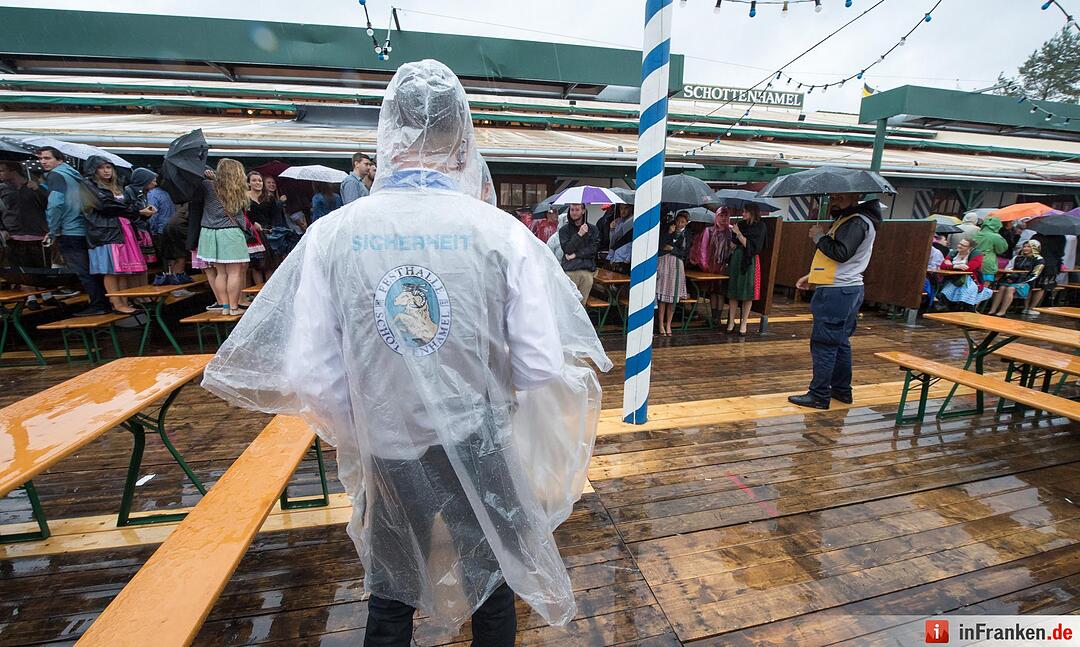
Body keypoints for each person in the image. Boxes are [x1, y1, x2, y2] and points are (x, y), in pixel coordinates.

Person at [200, 59, 611, 646]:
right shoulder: (500, 233)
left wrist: (367, 423)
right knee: (492, 577)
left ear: (385, 131)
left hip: (389, 446)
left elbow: (311, 373)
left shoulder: (335, 235)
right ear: (463, 136)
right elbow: (541, 363)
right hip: (480, 440)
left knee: (391, 591)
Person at [789, 193, 881, 410]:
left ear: (854, 196)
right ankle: (841, 390)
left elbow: (841, 253)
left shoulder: (857, 221)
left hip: (837, 292)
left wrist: (819, 237)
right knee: (840, 343)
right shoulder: (852, 219)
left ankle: (819, 394)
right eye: (832, 198)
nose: (834, 202)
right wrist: (812, 277)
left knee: (824, 344)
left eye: (840, 197)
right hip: (845, 289)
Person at [38, 147, 109, 316]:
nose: (43, 161)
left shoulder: (56, 175)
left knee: (82, 271)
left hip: (68, 229)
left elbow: (55, 203)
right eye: (41, 158)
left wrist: (53, 230)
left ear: (59, 159)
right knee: (92, 270)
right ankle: (102, 302)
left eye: (47, 158)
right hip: (84, 227)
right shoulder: (74, 175)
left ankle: (98, 305)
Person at [85, 157, 153, 315]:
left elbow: (125, 207)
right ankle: (116, 302)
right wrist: (137, 212)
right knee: (111, 269)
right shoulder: (89, 185)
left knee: (123, 269)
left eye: (108, 167)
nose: (106, 170)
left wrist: (142, 212)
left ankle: (124, 299)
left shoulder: (117, 186)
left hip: (123, 229)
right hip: (106, 232)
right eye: (102, 168)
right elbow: (105, 206)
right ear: (94, 170)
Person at [192, 159, 251, 316]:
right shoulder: (239, 189)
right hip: (231, 233)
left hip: (209, 233)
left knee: (221, 273)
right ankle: (233, 307)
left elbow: (195, 187)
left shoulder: (206, 185)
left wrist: (207, 177)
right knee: (234, 273)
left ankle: (224, 307)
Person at [726, 203, 767, 336]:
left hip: (750, 260)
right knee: (734, 290)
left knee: (747, 291)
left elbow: (751, 247)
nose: (743, 214)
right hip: (737, 257)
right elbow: (733, 244)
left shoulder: (760, 227)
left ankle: (744, 323)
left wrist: (738, 234)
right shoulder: (741, 224)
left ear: (752, 212)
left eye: (745, 212)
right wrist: (733, 237)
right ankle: (731, 322)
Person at [0, 161, 49, 268]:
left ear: (13, 171)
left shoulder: (34, 187)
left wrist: (37, 190)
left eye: (2, 171)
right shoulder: (2, 189)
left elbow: (48, 205)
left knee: (41, 273)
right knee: (18, 275)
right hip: (12, 237)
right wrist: (2, 229)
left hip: (37, 236)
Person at [690, 206, 734, 320]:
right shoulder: (709, 230)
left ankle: (717, 317)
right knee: (713, 291)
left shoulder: (731, 231)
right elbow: (703, 249)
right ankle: (713, 316)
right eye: (721, 216)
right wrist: (704, 264)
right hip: (711, 267)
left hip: (724, 266)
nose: (723, 219)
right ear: (717, 216)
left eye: (726, 216)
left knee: (721, 292)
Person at [655, 210, 691, 336]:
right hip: (664, 262)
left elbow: (685, 252)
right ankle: (660, 324)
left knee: (673, 297)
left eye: (683, 222)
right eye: (678, 221)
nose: (680, 224)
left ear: (687, 223)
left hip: (677, 265)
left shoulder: (687, 234)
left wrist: (672, 249)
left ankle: (668, 324)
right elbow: (660, 245)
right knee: (663, 295)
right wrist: (669, 233)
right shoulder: (668, 228)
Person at [988, 240, 1043, 317]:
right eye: (1024, 246)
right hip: (1012, 280)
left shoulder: (1039, 260)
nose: (1025, 248)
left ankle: (1002, 311)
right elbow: (1008, 268)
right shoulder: (1017, 257)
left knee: (1010, 288)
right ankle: (992, 310)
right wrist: (1009, 276)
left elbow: (1035, 275)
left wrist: (1020, 280)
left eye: (1028, 247)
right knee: (1002, 287)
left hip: (1026, 282)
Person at [559, 203, 599, 306]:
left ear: (583, 211)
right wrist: (579, 235)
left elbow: (593, 249)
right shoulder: (564, 230)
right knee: (568, 304)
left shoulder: (593, 229)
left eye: (577, 210)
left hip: (587, 271)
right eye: (572, 210)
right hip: (570, 271)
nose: (574, 212)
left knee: (581, 306)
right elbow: (567, 249)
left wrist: (576, 255)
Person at [938, 238, 992, 310]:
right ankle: (952, 311)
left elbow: (969, 268)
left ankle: (966, 312)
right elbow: (943, 266)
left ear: (970, 248)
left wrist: (950, 266)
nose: (959, 246)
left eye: (963, 245)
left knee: (966, 296)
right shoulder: (953, 253)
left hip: (970, 279)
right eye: (959, 243)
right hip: (954, 279)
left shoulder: (977, 254)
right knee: (944, 294)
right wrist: (956, 266)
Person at [147, 176, 182, 276]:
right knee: (176, 256)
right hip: (174, 228)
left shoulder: (152, 194)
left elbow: (153, 213)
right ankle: (178, 280)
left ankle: (170, 279)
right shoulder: (170, 193)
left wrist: (152, 230)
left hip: (161, 230)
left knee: (166, 258)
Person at [1025, 234, 1064, 314]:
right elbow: (1060, 253)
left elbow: (1030, 248)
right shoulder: (1060, 237)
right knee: (1042, 287)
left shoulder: (1037, 236)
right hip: (1050, 264)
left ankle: (1025, 307)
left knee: (1029, 285)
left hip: (1034, 262)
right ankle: (1032, 308)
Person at [972, 216, 1007, 283]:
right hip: (987, 263)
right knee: (985, 286)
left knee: (973, 284)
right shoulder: (996, 237)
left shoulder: (976, 234)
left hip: (974, 260)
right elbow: (1001, 250)